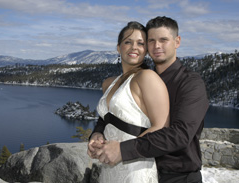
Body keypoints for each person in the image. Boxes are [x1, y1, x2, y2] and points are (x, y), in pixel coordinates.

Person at [88, 16, 209, 183]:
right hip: (135, 168)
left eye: (163, 40)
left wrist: (123, 150)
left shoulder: (190, 83)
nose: (157, 46)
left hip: (177, 176)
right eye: (151, 40)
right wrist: (97, 133)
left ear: (177, 41)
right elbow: (112, 117)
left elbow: (180, 135)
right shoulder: (140, 78)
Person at [87, 21, 170, 182]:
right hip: (109, 168)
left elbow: (161, 128)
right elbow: (106, 119)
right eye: (128, 42)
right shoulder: (108, 83)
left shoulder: (147, 78)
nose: (134, 47)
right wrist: (96, 134)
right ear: (118, 47)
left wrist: (122, 151)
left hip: (136, 168)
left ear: (145, 50)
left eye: (140, 43)